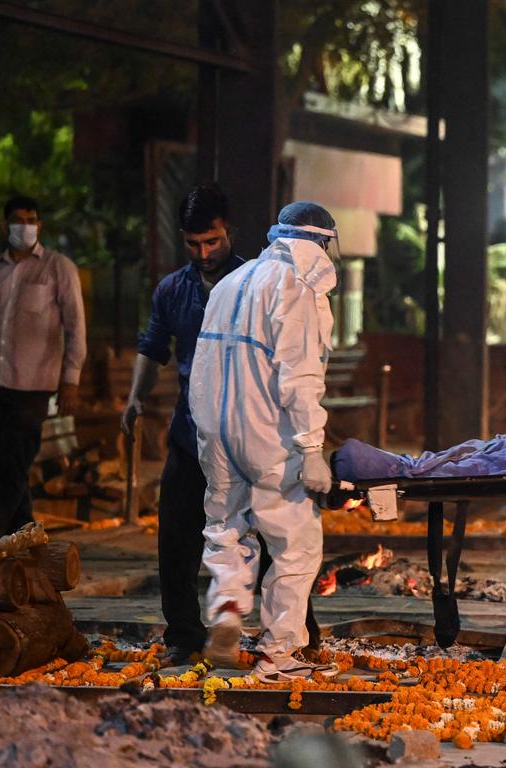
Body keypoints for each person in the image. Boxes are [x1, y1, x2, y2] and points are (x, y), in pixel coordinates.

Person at [189, 200, 339, 682]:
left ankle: (228, 611)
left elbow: (202, 365)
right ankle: (279, 651)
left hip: (214, 432)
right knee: (296, 543)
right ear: (319, 243)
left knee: (226, 530)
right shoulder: (296, 287)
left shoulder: (231, 282)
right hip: (268, 433)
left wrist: (209, 429)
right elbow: (300, 374)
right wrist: (312, 449)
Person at [121, 185, 244, 664]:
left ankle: (293, 633)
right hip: (191, 435)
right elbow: (153, 347)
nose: (204, 253)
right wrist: (135, 397)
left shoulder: (255, 282)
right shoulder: (173, 288)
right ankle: (183, 636)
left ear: (228, 231)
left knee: (271, 541)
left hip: (244, 440)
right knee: (175, 538)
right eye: (194, 244)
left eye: (212, 241)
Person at [0, 195, 86, 548]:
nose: (25, 226)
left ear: (39, 225)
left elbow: (75, 327)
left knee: (13, 468)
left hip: (33, 386)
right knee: (5, 467)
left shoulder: (58, 268)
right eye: (18, 219)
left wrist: (70, 379)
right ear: (5, 225)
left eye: (32, 219)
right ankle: (29, 542)